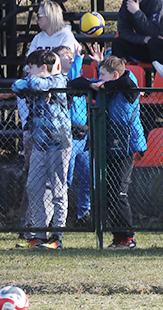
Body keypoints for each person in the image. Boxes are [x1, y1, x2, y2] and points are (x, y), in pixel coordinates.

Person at [68, 54, 145, 250]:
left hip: (125, 146)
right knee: (108, 193)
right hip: (106, 146)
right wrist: (94, 85)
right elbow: (75, 83)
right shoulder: (102, 85)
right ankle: (118, 236)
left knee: (119, 192)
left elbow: (127, 82)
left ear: (115, 75)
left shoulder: (127, 85)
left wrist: (104, 86)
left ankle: (128, 237)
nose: (99, 78)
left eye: (102, 75)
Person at [12, 50, 69, 249]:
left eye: (32, 68)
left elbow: (38, 84)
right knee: (33, 188)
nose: (28, 71)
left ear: (43, 67)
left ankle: (57, 237)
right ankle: (39, 234)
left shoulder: (59, 80)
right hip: (39, 144)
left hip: (59, 144)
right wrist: (32, 83)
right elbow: (17, 86)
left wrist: (35, 82)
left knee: (58, 190)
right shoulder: (35, 81)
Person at [53, 45, 90, 227]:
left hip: (82, 136)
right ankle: (58, 217)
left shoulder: (79, 77)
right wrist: (78, 59)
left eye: (71, 55)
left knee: (88, 177)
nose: (70, 57)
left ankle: (84, 214)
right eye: (65, 55)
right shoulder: (61, 79)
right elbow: (73, 79)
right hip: (67, 137)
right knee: (65, 180)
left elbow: (94, 82)